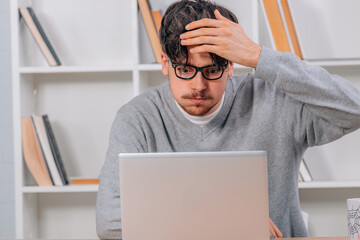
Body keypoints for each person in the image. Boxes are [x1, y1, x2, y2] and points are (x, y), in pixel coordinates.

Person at [96, 0, 360, 239]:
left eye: (211, 70)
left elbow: (355, 109)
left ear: (231, 65)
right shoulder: (137, 118)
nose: (198, 85)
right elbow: (109, 222)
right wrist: (230, 220)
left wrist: (259, 56)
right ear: (165, 63)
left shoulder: (274, 99)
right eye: (185, 69)